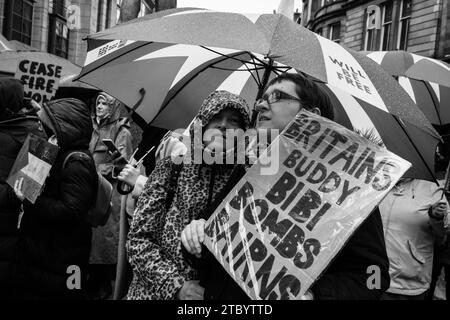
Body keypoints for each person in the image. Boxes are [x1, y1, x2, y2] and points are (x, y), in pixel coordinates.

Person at [181, 73, 391, 300]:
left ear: (310, 115)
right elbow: (206, 244)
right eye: (262, 98)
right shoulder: (252, 169)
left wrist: (315, 296)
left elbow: (376, 277)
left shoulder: (351, 188)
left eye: (277, 96)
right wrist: (197, 235)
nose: (260, 104)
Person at [126, 90, 251, 300]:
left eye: (233, 121)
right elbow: (139, 239)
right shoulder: (172, 168)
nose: (223, 125)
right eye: (216, 117)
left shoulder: (245, 180)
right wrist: (176, 286)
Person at [4, 97, 96, 299]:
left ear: (62, 128)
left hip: (64, 258)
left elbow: (71, 210)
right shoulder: (51, 150)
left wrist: (28, 200)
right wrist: (41, 154)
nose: (38, 127)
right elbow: (22, 187)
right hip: (42, 253)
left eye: (44, 124)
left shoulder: (78, 161)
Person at [0, 78, 48, 299]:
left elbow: (27, 190)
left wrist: (11, 196)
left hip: (14, 230)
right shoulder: (38, 131)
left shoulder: (37, 134)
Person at [88, 92, 133, 299]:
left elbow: (124, 167)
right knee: (89, 237)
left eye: (104, 103)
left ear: (113, 107)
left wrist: (104, 168)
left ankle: (104, 285)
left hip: (108, 192)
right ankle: (88, 281)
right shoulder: (92, 126)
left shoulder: (122, 132)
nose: (99, 107)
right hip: (89, 187)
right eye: (98, 102)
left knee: (104, 240)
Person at [379, 178, 449, 300]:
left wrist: (436, 217)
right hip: (373, 274)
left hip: (408, 280)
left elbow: (442, 234)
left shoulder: (432, 188)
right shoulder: (379, 180)